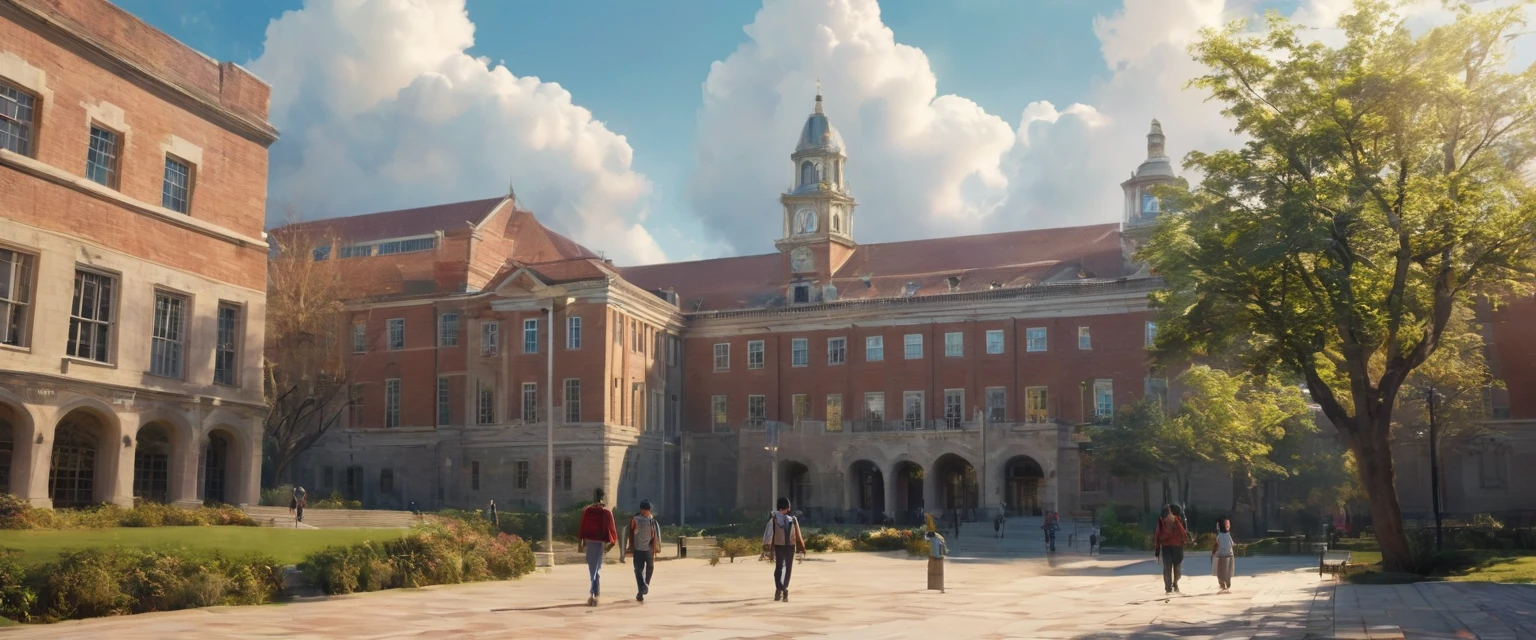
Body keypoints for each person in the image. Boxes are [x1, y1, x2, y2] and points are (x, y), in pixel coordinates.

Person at [578, 489, 618, 606]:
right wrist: (611, 545)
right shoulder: (604, 512)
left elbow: (582, 528)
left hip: (593, 542)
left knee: (593, 569)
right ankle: (595, 593)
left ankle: (593, 593)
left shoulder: (590, 511)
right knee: (595, 569)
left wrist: (580, 544)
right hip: (598, 543)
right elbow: (612, 530)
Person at [761, 497, 806, 602]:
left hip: (779, 546)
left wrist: (766, 545)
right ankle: (783, 589)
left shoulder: (774, 519)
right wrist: (801, 546)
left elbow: (768, 534)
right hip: (790, 546)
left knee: (779, 569)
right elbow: (798, 534)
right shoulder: (792, 519)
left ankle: (779, 590)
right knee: (788, 569)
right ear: (786, 507)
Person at [624, 500, 661, 602]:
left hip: (648, 548)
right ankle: (641, 590)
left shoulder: (651, 520)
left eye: (650, 510)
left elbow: (654, 534)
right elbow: (632, 532)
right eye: (648, 510)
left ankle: (645, 586)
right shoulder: (635, 519)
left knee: (650, 566)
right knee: (638, 569)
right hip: (638, 548)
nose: (650, 512)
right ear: (643, 510)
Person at [1155, 504, 1188, 594]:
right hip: (1166, 548)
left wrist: (1185, 541)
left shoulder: (1178, 521)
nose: (1165, 519)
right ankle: (1168, 588)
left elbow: (1183, 533)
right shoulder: (1161, 523)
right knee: (1167, 568)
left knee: (1178, 571)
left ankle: (1175, 583)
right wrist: (1157, 551)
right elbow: (1157, 535)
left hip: (1177, 547)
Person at [1212, 516, 1236, 593]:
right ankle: (1228, 582)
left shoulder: (1219, 536)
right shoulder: (1228, 535)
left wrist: (1213, 553)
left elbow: (1216, 546)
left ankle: (1222, 583)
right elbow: (1232, 544)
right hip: (1229, 555)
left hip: (1220, 556)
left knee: (1220, 571)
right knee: (1228, 570)